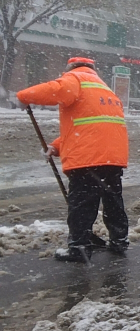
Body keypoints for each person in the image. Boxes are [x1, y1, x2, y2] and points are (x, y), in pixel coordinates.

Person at [17, 57, 129, 263]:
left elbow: (55, 90)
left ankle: (79, 247)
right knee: (113, 201)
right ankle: (119, 240)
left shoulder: (76, 79)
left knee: (82, 205)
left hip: (88, 158)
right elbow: (91, 127)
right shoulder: (104, 90)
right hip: (113, 158)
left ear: (70, 68)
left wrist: (24, 96)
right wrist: (56, 146)